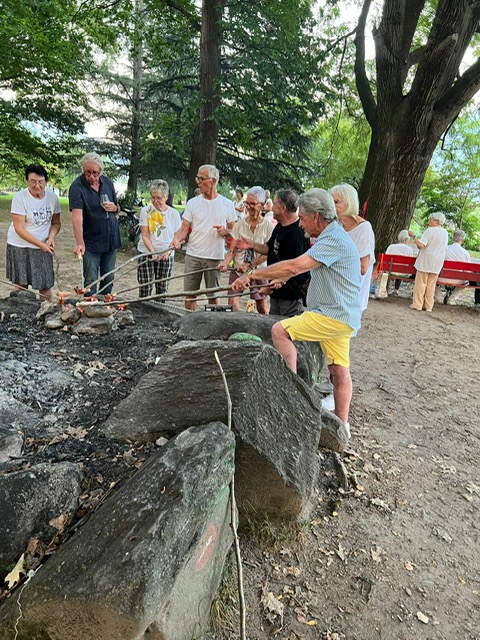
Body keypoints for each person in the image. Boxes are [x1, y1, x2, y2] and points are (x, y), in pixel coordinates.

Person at [232, 188, 361, 435]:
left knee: (280, 331)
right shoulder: (332, 236)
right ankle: (342, 428)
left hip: (332, 315)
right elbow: (305, 270)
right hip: (342, 314)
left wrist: (252, 275)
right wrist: (278, 279)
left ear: (316, 216)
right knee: (339, 371)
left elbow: (294, 267)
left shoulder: (333, 239)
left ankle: (289, 395)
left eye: (302, 218)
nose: (300, 224)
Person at [171, 165, 236, 311]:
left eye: (202, 179)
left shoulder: (227, 204)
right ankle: (189, 321)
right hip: (193, 255)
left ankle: (212, 322)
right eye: (197, 178)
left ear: (213, 181)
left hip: (214, 257)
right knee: (190, 295)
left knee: (213, 295)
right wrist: (176, 239)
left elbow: (235, 232)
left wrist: (226, 231)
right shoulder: (193, 202)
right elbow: (184, 229)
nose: (198, 182)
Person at [237, 189, 310, 317]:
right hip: (277, 293)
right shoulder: (280, 226)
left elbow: (292, 268)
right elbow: (269, 249)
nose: (270, 207)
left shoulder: (296, 233)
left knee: (287, 327)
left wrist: (272, 285)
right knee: (273, 325)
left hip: (290, 297)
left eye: (275, 204)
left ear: (283, 208)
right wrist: (252, 245)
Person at [6, 164, 61, 301]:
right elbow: (19, 228)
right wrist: (41, 245)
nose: (37, 186)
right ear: (27, 181)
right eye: (33, 181)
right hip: (20, 245)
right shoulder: (20, 198)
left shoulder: (52, 198)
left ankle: (47, 310)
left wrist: (51, 238)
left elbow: (56, 223)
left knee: (45, 284)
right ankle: (20, 310)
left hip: (43, 245)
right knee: (22, 285)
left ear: (46, 182)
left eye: (40, 182)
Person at [69, 152, 121, 295]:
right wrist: (80, 242)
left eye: (95, 173)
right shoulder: (77, 187)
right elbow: (77, 217)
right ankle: (90, 305)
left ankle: (104, 305)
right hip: (91, 241)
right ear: (83, 170)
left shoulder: (108, 183)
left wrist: (114, 208)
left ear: (101, 171)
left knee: (108, 278)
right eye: (88, 172)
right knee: (91, 280)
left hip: (111, 239)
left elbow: (117, 207)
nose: (91, 176)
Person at [218, 186, 274, 313]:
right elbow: (232, 250)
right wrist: (225, 263)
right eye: (246, 203)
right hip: (238, 269)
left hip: (259, 271)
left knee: (262, 307)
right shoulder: (239, 225)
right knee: (232, 305)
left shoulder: (268, 227)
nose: (248, 206)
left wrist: (249, 265)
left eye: (252, 203)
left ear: (262, 205)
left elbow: (267, 254)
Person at [329, 183, 375, 312]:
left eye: (336, 202)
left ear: (349, 203)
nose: (332, 206)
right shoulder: (337, 226)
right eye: (331, 202)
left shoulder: (364, 228)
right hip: (335, 292)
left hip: (352, 295)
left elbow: (363, 268)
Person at [136, 180, 182, 300]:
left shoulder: (174, 214)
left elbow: (177, 238)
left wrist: (169, 251)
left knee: (162, 288)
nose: (155, 201)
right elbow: (145, 235)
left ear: (166, 197)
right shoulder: (146, 211)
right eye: (153, 197)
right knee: (145, 287)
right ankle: (144, 308)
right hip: (147, 251)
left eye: (159, 198)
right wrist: (153, 252)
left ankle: (160, 309)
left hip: (166, 253)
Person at [408, 212, 448, 311]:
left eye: (430, 220)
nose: (428, 222)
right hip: (437, 262)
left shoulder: (429, 231)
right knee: (431, 285)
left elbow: (421, 245)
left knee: (421, 284)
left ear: (436, 221)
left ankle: (417, 304)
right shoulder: (445, 233)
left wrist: (414, 236)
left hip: (425, 261)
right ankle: (428, 306)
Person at [435, 229, 471, 305]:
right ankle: (452, 299)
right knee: (466, 282)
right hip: (458, 280)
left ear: (453, 238)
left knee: (432, 278)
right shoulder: (465, 253)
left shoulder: (444, 249)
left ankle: (439, 297)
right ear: (463, 240)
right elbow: (468, 271)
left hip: (441, 278)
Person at [385, 229, 415, 295]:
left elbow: (385, 261)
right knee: (401, 269)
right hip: (403, 273)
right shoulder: (409, 249)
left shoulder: (391, 246)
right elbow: (411, 264)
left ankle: (384, 288)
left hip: (390, 271)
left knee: (393, 268)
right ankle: (396, 290)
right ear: (406, 239)